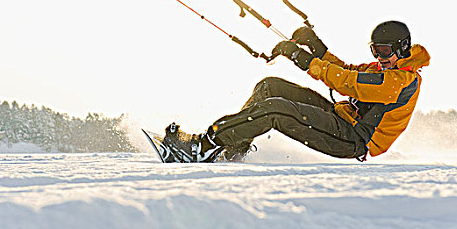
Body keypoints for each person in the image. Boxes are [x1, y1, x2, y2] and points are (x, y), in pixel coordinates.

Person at [159, 20, 430, 163]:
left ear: (402, 48)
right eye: (375, 50)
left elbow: (347, 81)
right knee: (270, 87)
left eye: (384, 51)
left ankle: (202, 147)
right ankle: (231, 147)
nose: (379, 56)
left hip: (354, 139)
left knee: (276, 109)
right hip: (340, 117)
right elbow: (345, 68)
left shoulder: (400, 81)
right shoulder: (383, 70)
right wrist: (316, 47)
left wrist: (302, 59)